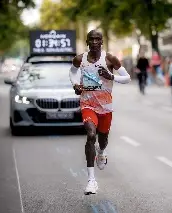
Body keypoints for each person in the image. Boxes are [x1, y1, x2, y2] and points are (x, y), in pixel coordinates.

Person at [69, 30, 131, 195]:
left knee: (102, 139)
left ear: (102, 41)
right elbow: (73, 71)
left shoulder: (109, 58)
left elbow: (127, 78)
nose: (95, 42)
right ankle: (91, 181)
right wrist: (76, 84)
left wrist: (111, 76)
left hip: (105, 107)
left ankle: (102, 152)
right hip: (87, 103)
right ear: (87, 41)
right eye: (92, 39)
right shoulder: (80, 59)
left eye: (98, 39)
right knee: (91, 135)